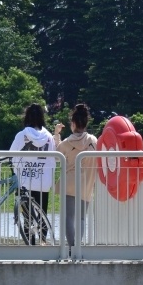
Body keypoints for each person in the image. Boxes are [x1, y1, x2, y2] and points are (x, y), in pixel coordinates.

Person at [9, 103, 56, 242]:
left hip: (24, 181)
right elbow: (53, 159)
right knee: (42, 215)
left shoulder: (21, 135)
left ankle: (30, 244)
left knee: (27, 216)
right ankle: (43, 242)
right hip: (43, 180)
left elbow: (11, 155)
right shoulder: (49, 137)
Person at [54, 103, 97, 247]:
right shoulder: (93, 141)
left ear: (73, 123)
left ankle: (71, 247)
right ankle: (78, 247)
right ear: (85, 123)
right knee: (81, 218)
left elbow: (56, 156)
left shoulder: (67, 142)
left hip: (69, 183)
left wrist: (57, 134)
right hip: (87, 183)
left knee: (69, 217)